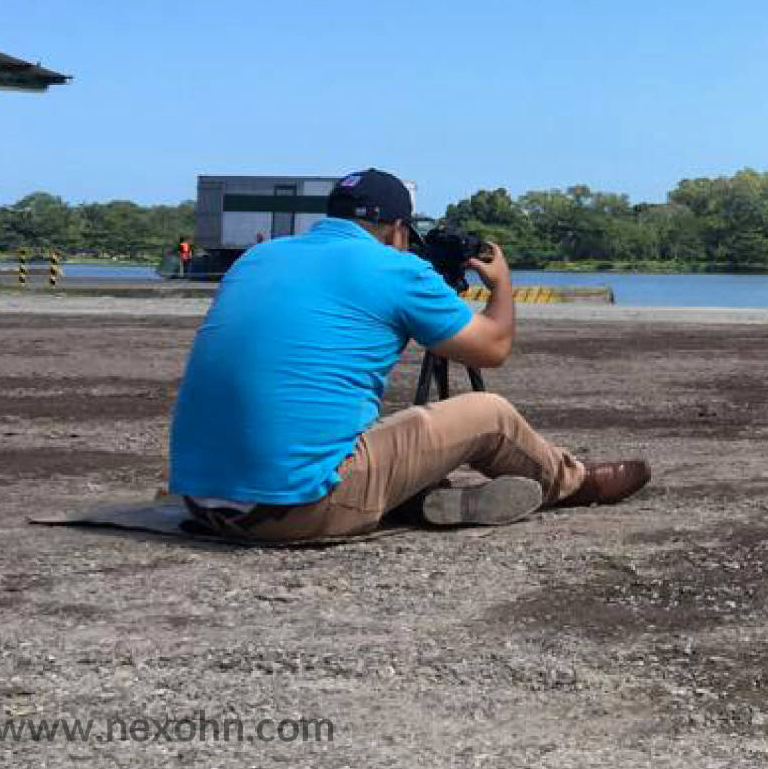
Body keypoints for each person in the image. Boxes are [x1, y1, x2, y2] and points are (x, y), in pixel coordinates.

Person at [167, 168, 649, 543]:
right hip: (296, 510)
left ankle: (416, 501)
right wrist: (500, 283)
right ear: (399, 229)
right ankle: (575, 483)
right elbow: (493, 346)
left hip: (201, 502)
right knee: (490, 414)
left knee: (347, 421)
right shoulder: (395, 269)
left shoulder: (259, 257)